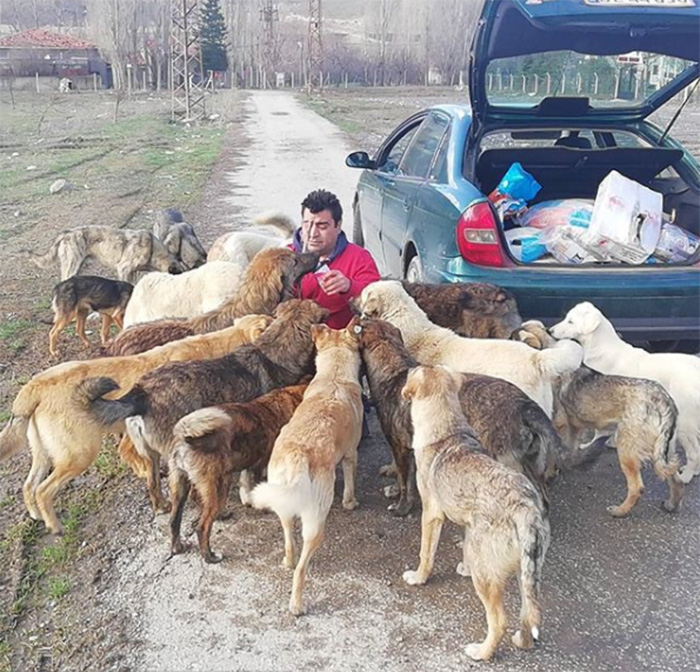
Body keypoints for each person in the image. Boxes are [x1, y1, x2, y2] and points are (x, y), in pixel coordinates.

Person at [291, 189, 380, 329]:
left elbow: (378, 301)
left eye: (322, 226)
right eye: (307, 224)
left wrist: (349, 287)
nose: (312, 234)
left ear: (338, 226)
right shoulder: (285, 256)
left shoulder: (359, 258)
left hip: (341, 344)